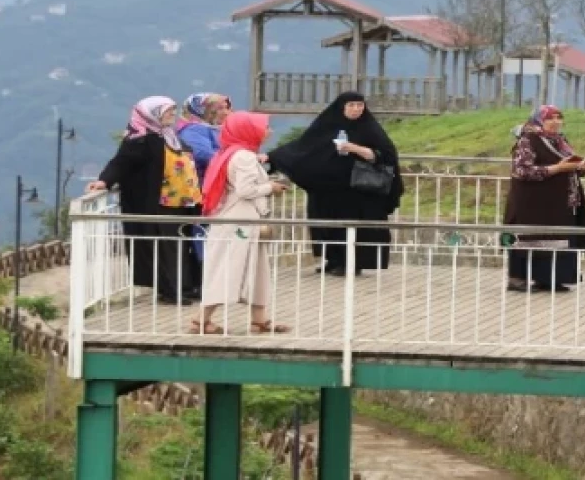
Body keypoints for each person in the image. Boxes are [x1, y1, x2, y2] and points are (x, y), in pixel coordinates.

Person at [267, 92, 404, 276]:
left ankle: (352, 263)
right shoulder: (326, 125)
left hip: (358, 190)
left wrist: (354, 148)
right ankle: (333, 259)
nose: (356, 109)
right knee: (327, 223)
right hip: (328, 187)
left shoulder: (370, 128)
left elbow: (385, 155)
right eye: (351, 105)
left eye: (359, 105)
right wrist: (272, 157)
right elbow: (303, 147)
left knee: (354, 225)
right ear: (342, 107)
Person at [87, 96, 202, 305]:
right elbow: (121, 162)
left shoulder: (169, 136)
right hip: (158, 203)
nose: (172, 115)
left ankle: (185, 286)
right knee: (164, 247)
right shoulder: (140, 139)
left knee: (180, 245)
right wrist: (104, 181)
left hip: (180, 202)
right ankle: (170, 290)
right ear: (153, 114)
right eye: (167, 112)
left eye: (173, 111)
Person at [191, 111, 290, 335]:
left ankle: (259, 318)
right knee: (228, 268)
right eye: (264, 127)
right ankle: (201, 319)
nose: (269, 131)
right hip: (240, 221)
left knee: (256, 267)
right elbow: (245, 190)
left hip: (233, 219)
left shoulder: (229, 153)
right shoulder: (244, 156)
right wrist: (270, 187)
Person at [503, 105, 585, 293]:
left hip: (558, 202)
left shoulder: (560, 141)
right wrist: (556, 169)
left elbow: (568, 165)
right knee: (530, 237)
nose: (556, 122)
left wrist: (581, 167)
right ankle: (518, 278)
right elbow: (522, 170)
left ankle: (550, 279)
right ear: (539, 120)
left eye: (558, 117)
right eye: (550, 118)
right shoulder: (527, 140)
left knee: (558, 237)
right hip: (533, 203)